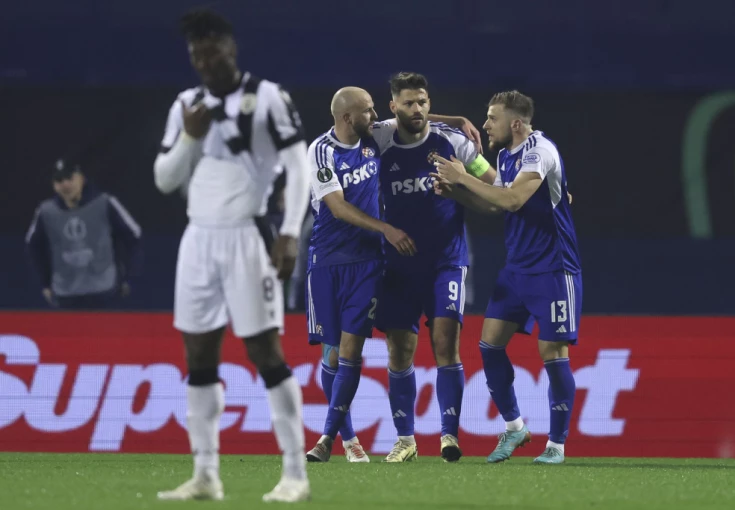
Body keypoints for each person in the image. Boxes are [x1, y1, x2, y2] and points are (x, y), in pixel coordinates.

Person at [152, 9, 311, 502]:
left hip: (248, 236)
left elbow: (298, 165)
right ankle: (205, 474)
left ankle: (295, 473)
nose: (205, 61)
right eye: (196, 54)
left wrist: (290, 232)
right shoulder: (186, 106)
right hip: (198, 240)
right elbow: (164, 179)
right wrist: (189, 138)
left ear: (231, 48)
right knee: (198, 354)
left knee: (265, 352)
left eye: (213, 50)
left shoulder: (267, 97)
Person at [432, 90, 582, 465]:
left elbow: (514, 199)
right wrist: (456, 193)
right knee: (489, 345)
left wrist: (463, 176)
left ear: (515, 123)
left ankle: (556, 446)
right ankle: (515, 427)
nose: (486, 124)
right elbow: (496, 205)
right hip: (516, 270)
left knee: (553, 353)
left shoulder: (539, 151)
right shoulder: (505, 155)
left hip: (553, 268)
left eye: (492, 117)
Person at [372, 72, 496, 463]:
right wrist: (454, 116)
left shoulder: (455, 143)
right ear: (393, 107)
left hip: (446, 261)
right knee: (399, 350)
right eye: (408, 103)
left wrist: (462, 184)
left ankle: (449, 436)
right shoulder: (379, 139)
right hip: (397, 264)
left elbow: (496, 186)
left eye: (423, 102)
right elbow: (345, 125)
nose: (418, 109)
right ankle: (405, 440)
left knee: (446, 342)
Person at [303, 87, 417, 463]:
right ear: (347, 118)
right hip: (327, 261)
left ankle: (325, 439)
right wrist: (385, 228)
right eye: (368, 110)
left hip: (367, 263)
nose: (375, 115)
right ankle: (350, 440)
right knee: (332, 353)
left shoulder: (374, 136)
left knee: (351, 349)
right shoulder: (321, 150)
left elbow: (410, 117)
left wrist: (458, 121)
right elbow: (336, 208)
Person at [26, 159, 141, 309]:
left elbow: (133, 236)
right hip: (65, 295)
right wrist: (45, 283)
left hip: (105, 292)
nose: (65, 184)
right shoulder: (46, 211)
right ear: (54, 185)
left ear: (81, 178)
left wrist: (129, 278)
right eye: (59, 180)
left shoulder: (105, 202)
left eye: (69, 178)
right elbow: (33, 246)